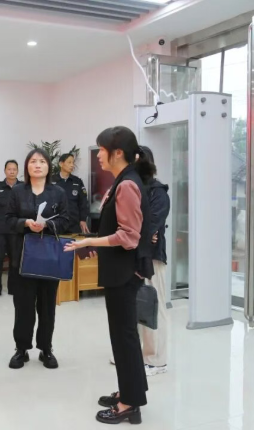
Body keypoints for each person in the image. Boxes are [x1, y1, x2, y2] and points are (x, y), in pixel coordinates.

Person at [65, 126, 154, 425]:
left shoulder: (127, 184)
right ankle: (130, 391)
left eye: (102, 150)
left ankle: (129, 404)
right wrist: (95, 243)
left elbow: (128, 236)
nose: (99, 155)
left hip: (123, 274)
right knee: (124, 336)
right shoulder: (124, 180)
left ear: (118, 153)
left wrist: (90, 242)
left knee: (124, 338)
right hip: (120, 271)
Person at [5, 148, 69, 370]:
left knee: (47, 306)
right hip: (23, 257)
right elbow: (7, 220)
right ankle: (21, 349)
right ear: (27, 166)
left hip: (49, 258)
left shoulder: (58, 192)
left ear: (49, 166)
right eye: (33, 161)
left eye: (42, 161)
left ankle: (46, 349)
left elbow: (66, 220)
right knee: (23, 306)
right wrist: (25, 223)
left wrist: (47, 225)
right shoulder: (17, 191)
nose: (38, 165)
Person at [139, 146, 170, 376]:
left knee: (154, 306)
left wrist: (142, 232)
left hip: (152, 257)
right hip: (132, 255)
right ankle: (138, 353)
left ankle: (157, 360)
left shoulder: (158, 192)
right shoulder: (131, 188)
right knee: (136, 307)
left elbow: (151, 224)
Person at [0, 159, 22, 298]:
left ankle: (13, 288)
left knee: (15, 261)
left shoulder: (24, 187)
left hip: (16, 230)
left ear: (17, 171)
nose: (12, 171)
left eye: (14, 169)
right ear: (5, 171)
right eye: (9, 169)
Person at [52, 153, 90, 233]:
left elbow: (83, 202)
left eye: (73, 162)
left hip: (73, 223)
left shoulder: (77, 181)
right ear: (61, 164)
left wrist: (83, 219)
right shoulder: (51, 180)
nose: (72, 165)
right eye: (69, 162)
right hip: (56, 222)